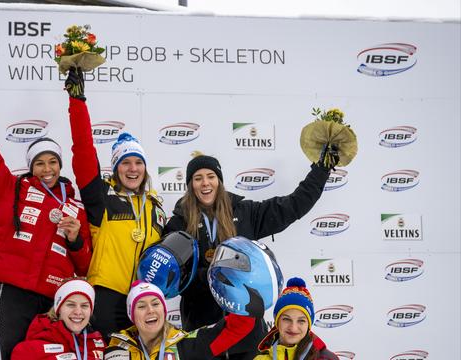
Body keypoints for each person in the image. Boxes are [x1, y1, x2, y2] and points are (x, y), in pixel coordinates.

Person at [0, 72, 93, 360]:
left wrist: (75, 239)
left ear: (60, 165)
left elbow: (86, 264)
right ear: (30, 167)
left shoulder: (76, 206)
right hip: (17, 293)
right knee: (14, 354)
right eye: (39, 163)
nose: (47, 169)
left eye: (52, 162)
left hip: (56, 296)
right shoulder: (11, 189)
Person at [164, 150, 335, 332]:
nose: (205, 183)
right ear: (191, 184)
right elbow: (173, 276)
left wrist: (322, 169)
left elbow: (292, 206)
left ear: (219, 181)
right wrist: (211, 276)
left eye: (211, 176)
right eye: (198, 178)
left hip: (246, 326)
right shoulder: (178, 223)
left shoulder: (244, 213)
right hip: (200, 324)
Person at [64, 67, 167, 340]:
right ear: (116, 167)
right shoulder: (101, 197)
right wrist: (78, 102)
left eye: (138, 163)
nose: (132, 169)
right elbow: (83, 151)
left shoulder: (155, 206)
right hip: (108, 297)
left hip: (145, 303)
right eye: (125, 163)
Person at [104, 280, 264, 360]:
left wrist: (244, 298)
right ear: (132, 315)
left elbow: (236, 330)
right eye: (141, 306)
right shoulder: (118, 349)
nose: (150, 310)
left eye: (155, 304)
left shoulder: (185, 345)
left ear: (164, 310)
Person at [11, 278, 105, 359]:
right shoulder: (29, 350)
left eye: (84, 306)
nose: (78, 312)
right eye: (71, 305)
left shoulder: (100, 345)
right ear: (58, 309)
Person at [254, 277, 338, 360]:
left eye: (301, 321)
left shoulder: (326, 358)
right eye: (287, 319)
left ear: (308, 325)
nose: (293, 328)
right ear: (277, 321)